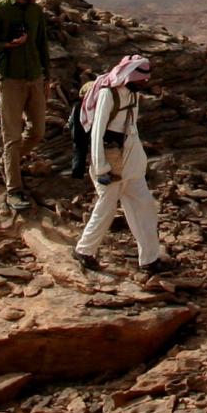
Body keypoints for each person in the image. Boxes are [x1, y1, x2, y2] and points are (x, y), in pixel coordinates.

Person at [74, 55, 168, 275]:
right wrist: (100, 168)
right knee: (106, 208)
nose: (145, 84)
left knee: (144, 207)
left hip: (131, 164)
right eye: (142, 80)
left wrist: (139, 162)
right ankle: (84, 251)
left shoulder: (132, 95)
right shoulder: (109, 94)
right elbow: (96, 133)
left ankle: (150, 260)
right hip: (111, 162)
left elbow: (131, 129)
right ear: (131, 77)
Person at [0, 0, 55, 212]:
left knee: (37, 131)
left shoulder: (36, 11)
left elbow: (42, 44)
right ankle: (14, 189)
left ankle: (6, 164)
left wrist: (46, 78)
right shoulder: (0, 10)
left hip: (34, 75)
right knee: (11, 136)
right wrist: (7, 45)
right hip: (10, 78)